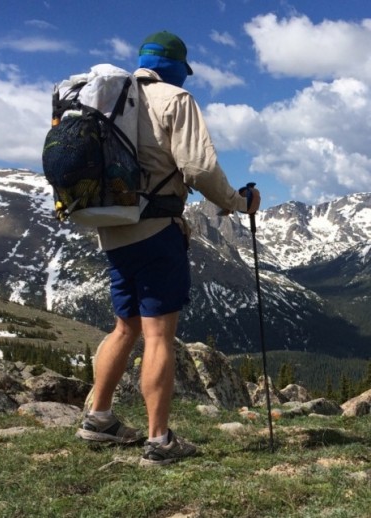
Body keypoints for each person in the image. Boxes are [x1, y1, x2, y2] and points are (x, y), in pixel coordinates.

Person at [75, 30, 260, 465]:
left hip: (113, 227)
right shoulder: (174, 99)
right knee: (159, 334)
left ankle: (98, 419)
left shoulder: (109, 100)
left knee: (125, 328)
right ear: (176, 66)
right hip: (157, 229)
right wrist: (237, 202)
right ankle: (159, 441)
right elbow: (198, 168)